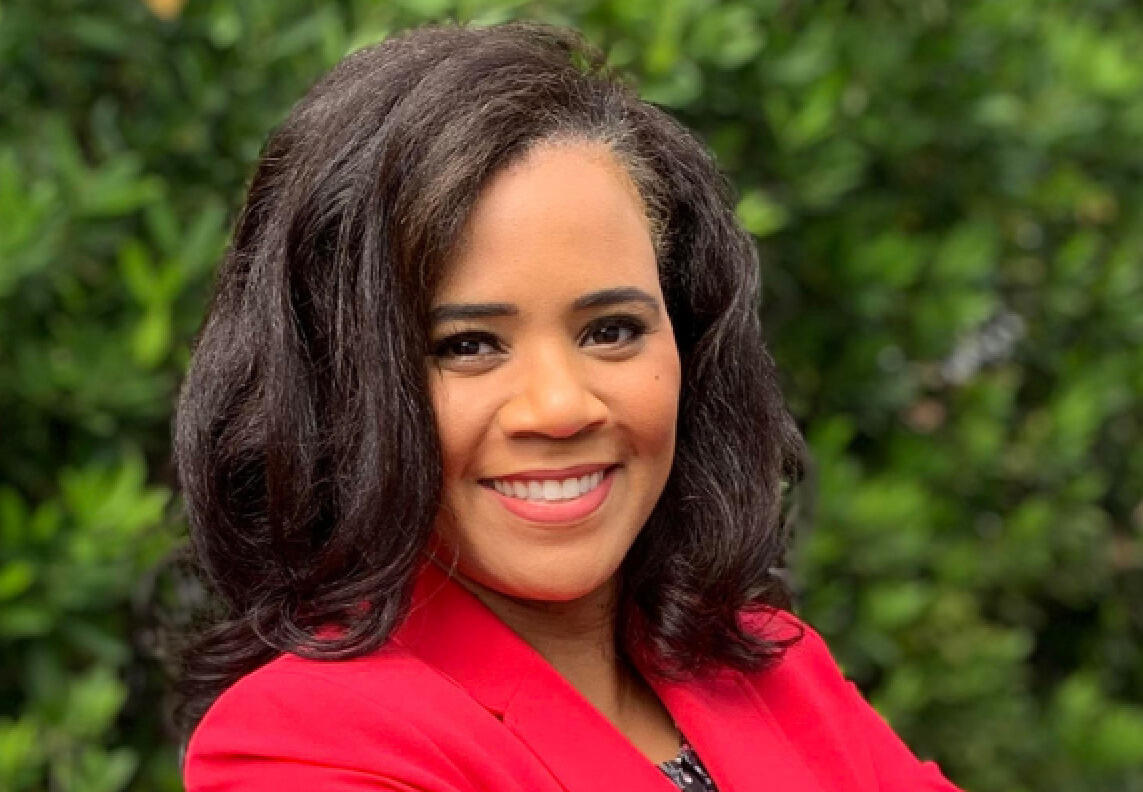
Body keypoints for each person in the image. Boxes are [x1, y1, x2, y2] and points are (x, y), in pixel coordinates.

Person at [173, 21, 962, 792]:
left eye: (611, 331)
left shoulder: (772, 666)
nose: (559, 407)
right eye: (467, 344)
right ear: (338, 386)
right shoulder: (303, 746)